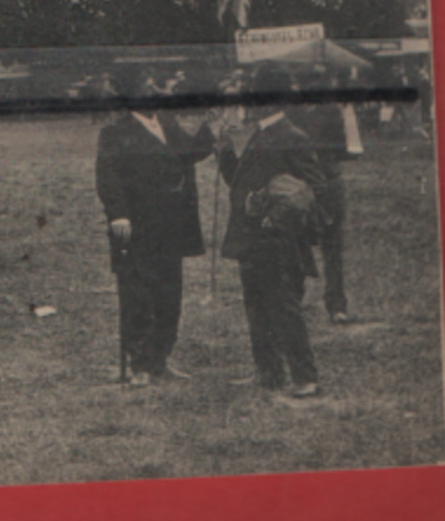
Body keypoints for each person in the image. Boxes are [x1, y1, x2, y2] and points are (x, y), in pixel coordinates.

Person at [94, 65, 215, 386]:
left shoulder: (167, 121)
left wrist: (212, 128)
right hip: (137, 228)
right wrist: (118, 215)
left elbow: (189, 153)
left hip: (171, 225)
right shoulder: (114, 133)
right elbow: (107, 178)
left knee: (169, 295)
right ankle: (141, 365)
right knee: (138, 297)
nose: (155, 92)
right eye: (148, 87)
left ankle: (161, 357)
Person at [217, 65, 329, 398]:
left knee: (284, 309)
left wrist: (277, 218)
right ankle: (268, 372)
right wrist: (224, 150)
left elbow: (315, 189)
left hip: (278, 242)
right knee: (256, 307)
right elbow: (238, 182)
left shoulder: (292, 136)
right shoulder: (262, 133)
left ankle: (305, 377)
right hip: (252, 241)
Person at [298, 65, 360, 323]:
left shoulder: (296, 113)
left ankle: (299, 297)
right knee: (329, 247)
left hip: (306, 182)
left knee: (300, 242)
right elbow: (346, 151)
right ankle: (336, 305)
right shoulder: (333, 110)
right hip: (324, 180)